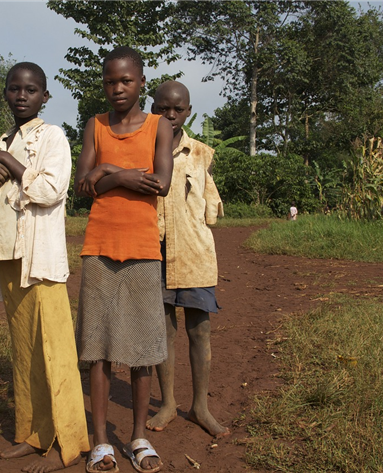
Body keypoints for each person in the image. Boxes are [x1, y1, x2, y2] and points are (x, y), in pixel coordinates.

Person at [0, 61, 90, 473]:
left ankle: (69, 444)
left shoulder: (52, 137)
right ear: (5, 93)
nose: (21, 95)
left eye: (31, 89)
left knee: (55, 352)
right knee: (24, 355)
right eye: (14, 88)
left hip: (40, 260)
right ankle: (32, 433)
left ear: (44, 96)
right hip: (8, 258)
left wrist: (9, 162)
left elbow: (49, 189)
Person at [74, 46, 173, 473]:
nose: (117, 89)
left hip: (143, 250)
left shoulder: (159, 127)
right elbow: (81, 187)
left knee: (142, 350)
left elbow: (161, 183)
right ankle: (100, 442)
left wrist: (107, 175)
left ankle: (138, 437)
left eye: (126, 81)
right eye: (110, 81)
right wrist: (120, 172)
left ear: (141, 83)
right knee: (97, 349)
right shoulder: (94, 126)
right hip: (98, 246)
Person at [145, 81, 229, 438]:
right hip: (155, 251)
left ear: (188, 111)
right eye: (163, 108)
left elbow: (210, 209)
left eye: (178, 109)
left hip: (195, 254)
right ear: (153, 108)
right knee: (163, 330)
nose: (170, 115)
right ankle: (166, 403)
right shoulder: (142, 150)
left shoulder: (200, 154)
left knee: (200, 329)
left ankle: (200, 406)